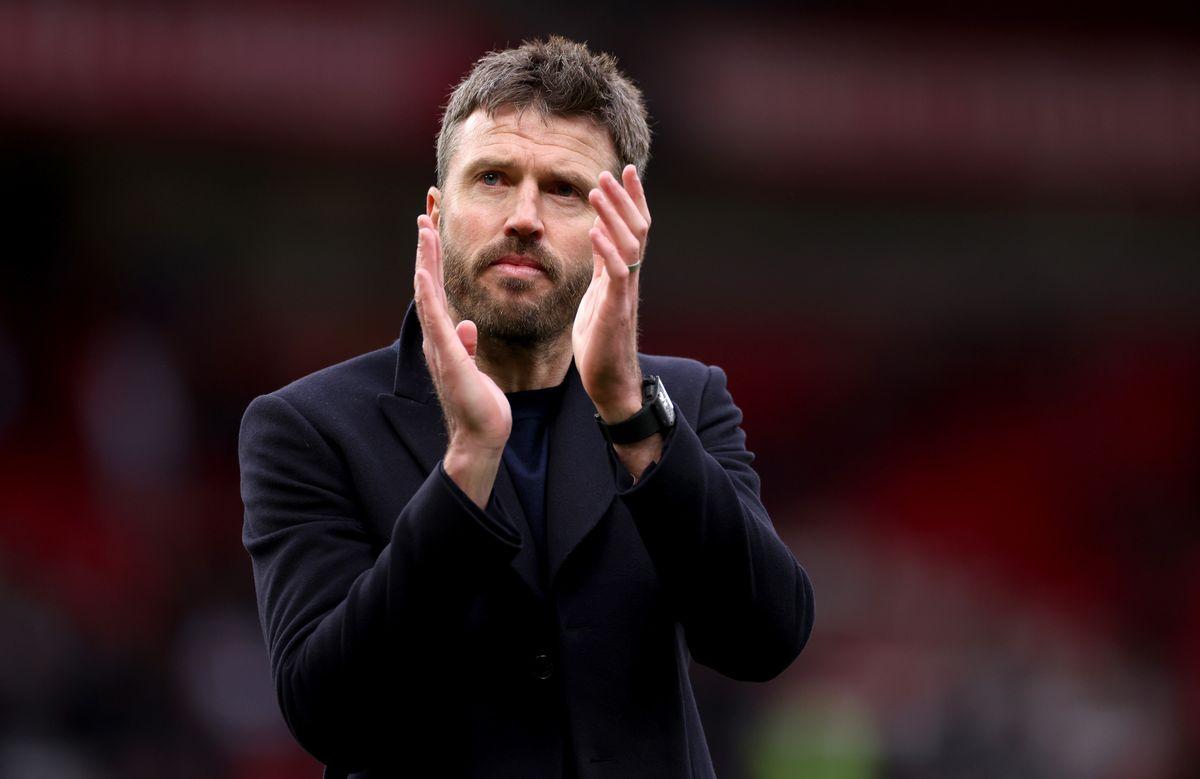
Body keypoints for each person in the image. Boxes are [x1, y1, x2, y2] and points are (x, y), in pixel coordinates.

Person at [239, 36, 813, 779]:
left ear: (623, 227)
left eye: (565, 189)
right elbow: (327, 711)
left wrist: (630, 413)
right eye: (493, 178)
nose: (524, 217)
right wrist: (467, 465)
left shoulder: (685, 403)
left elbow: (765, 639)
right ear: (437, 212)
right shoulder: (307, 426)